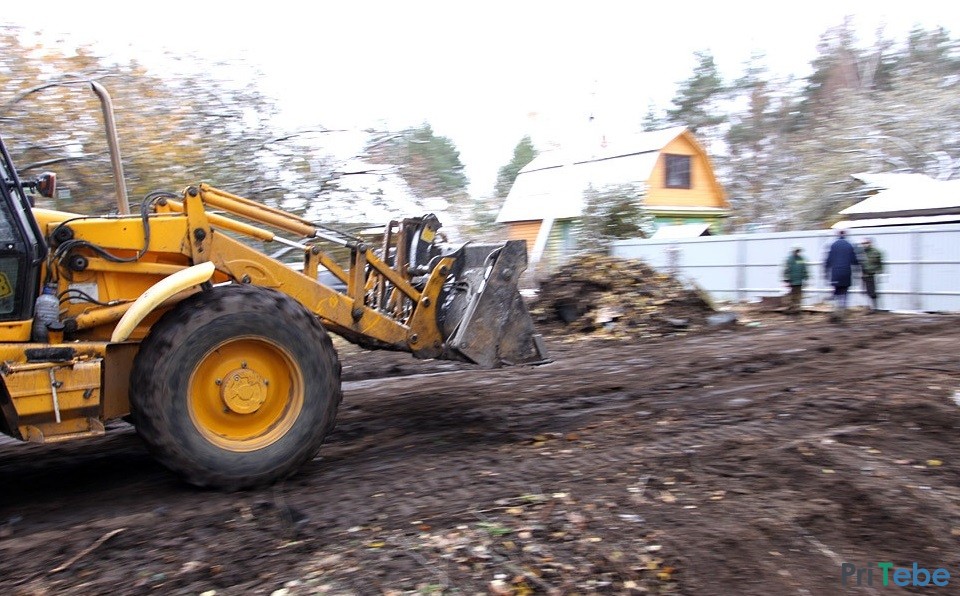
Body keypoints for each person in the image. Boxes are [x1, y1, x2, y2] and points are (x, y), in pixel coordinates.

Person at [824, 229, 859, 323]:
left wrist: (825, 272)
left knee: (836, 292)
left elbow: (828, 260)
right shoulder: (850, 245)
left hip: (835, 273)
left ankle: (835, 313)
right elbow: (855, 261)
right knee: (844, 294)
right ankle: (842, 314)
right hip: (846, 273)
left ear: (837, 235)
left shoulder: (833, 245)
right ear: (846, 235)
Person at [860, 238, 884, 313]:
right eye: (863, 243)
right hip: (864, 274)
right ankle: (870, 307)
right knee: (866, 291)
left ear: (870, 243)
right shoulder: (862, 252)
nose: (864, 245)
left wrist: (878, 271)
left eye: (866, 243)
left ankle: (875, 308)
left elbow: (879, 263)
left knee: (872, 292)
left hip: (872, 274)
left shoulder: (875, 252)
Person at [782, 246, 808, 315]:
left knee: (798, 296)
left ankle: (797, 310)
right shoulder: (789, 260)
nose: (797, 252)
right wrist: (786, 279)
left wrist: (806, 277)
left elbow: (803, 268)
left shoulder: (801, 259)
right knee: (792, 296)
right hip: (792, 281)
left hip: (799, 281)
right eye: (796, 251)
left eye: (798, 251)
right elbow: (786, 270)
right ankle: (791, 309)